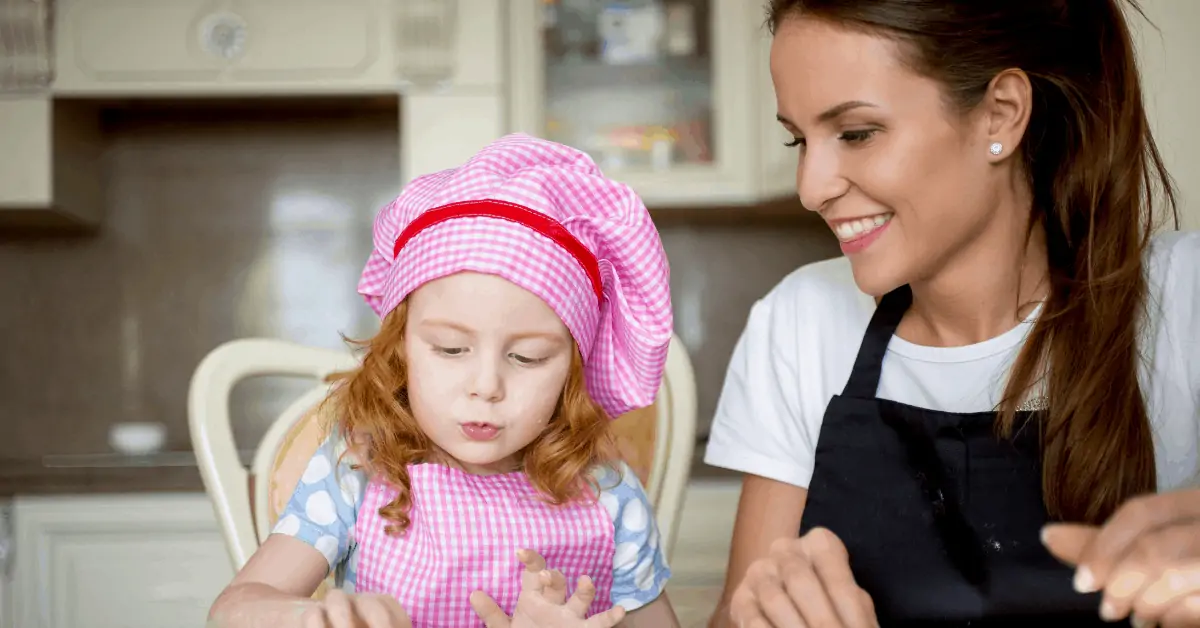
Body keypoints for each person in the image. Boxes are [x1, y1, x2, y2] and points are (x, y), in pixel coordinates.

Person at [702, 0, 1200, 626]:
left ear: (1002, 113)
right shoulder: (802, 321)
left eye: (856, 133)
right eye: (800, 139)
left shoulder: (1185, 299)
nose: (811, 186)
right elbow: (736, 611)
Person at [205, 133, 681, 628]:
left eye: (528, 356)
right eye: (451, 349)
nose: (486, 386)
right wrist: (313, 616)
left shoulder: (607, 494)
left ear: (573, 371)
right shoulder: (360, 469)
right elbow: (234, 608)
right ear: (401, 348)